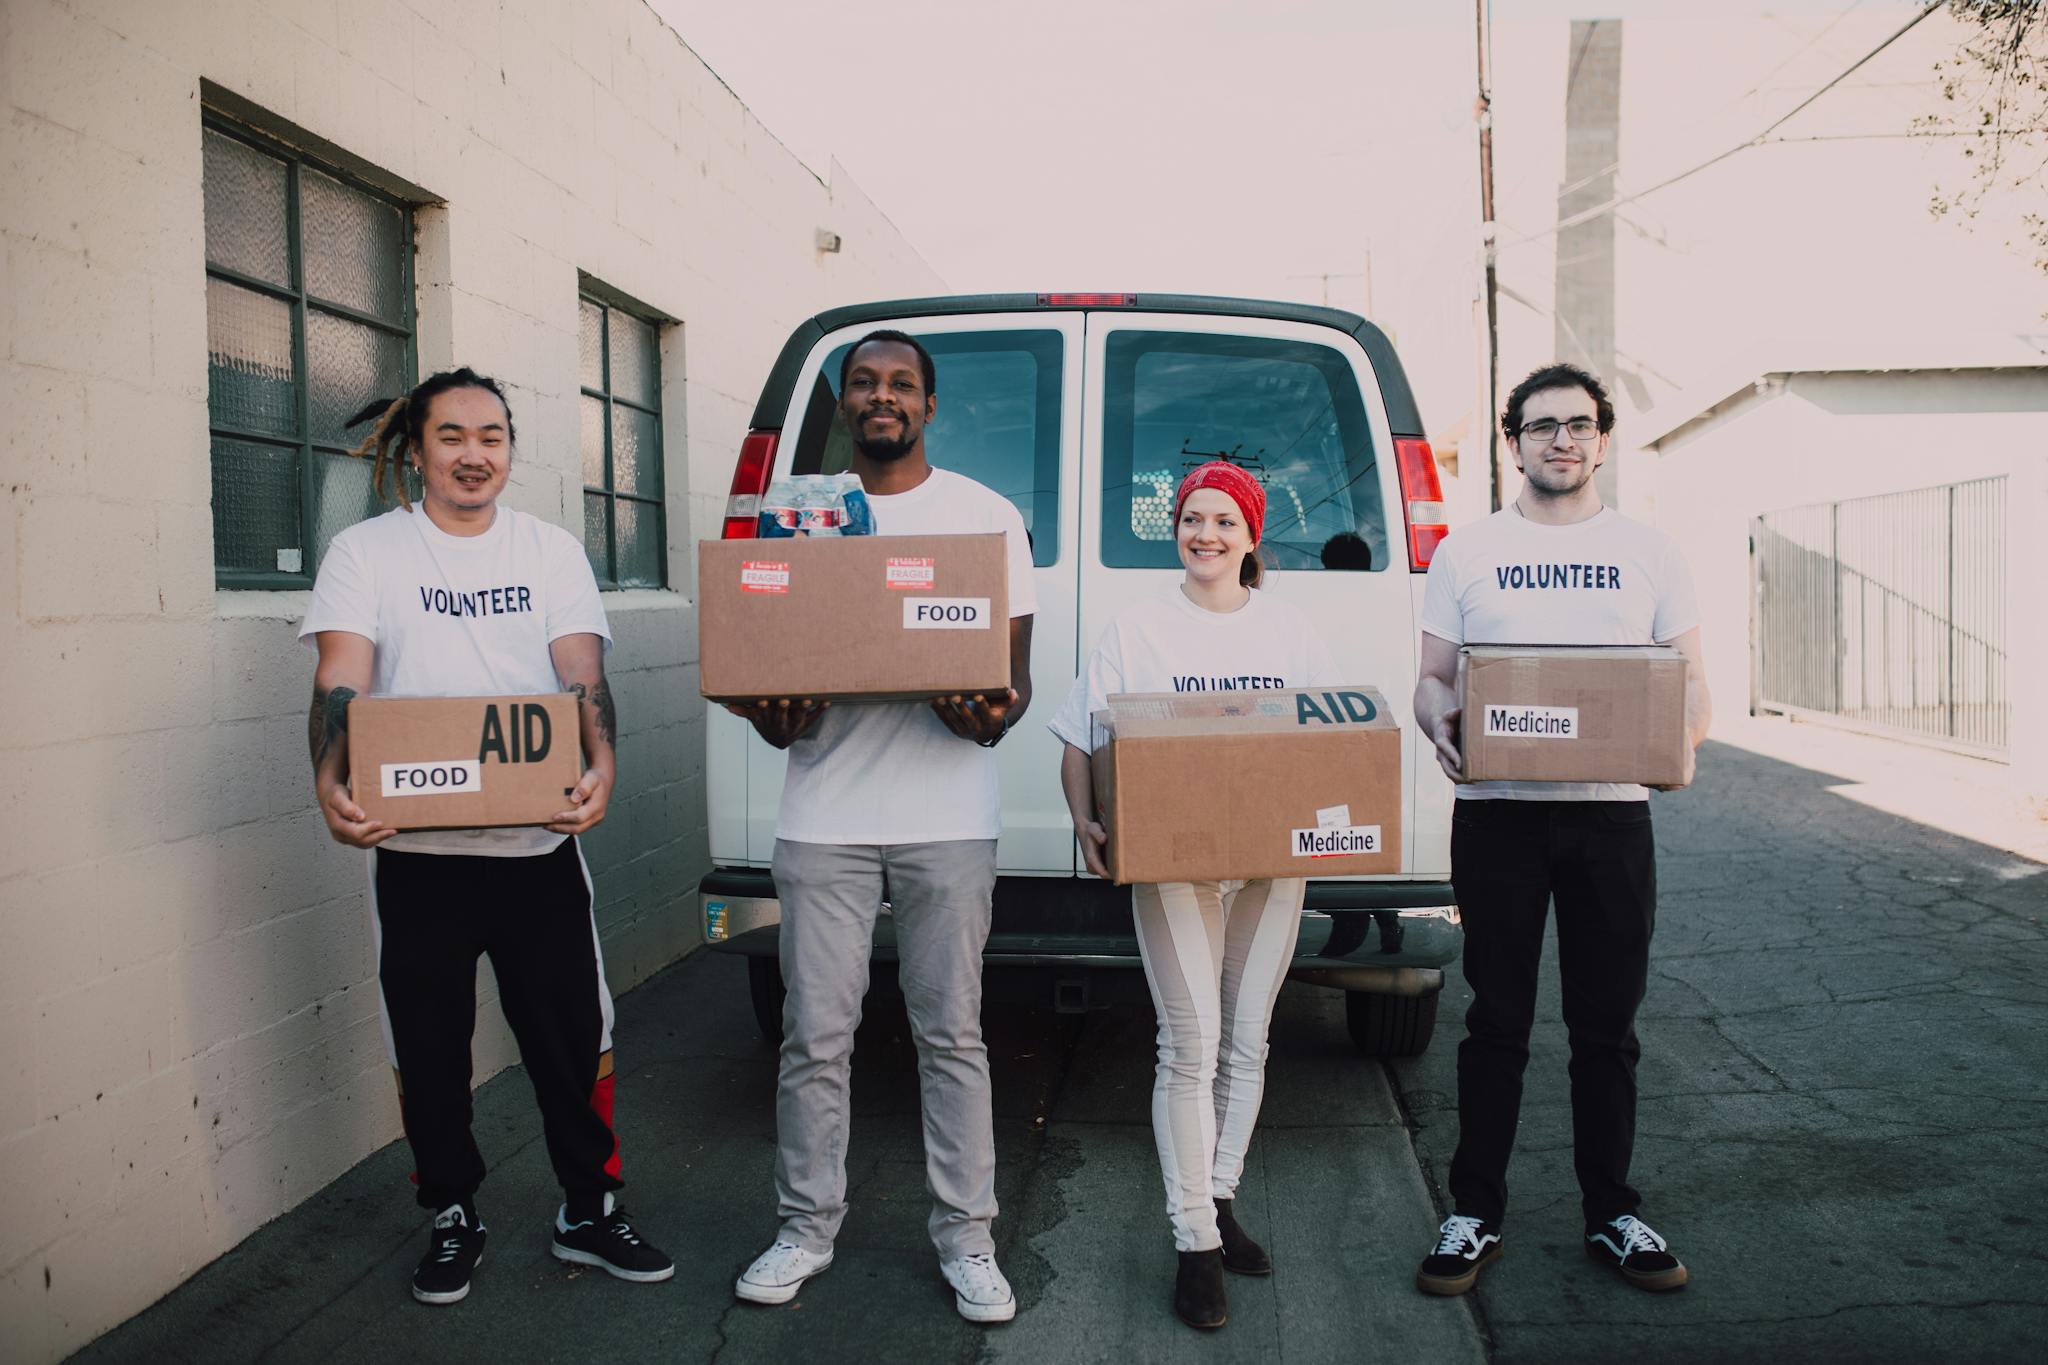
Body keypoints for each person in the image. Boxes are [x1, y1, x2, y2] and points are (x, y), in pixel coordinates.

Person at [301, 368, 673, 1306]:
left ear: (510, 447)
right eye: (453, 436)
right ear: (416, 446)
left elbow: (582, 676)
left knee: (574, 1036)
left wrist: (603, 765)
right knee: (429, 1045)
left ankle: (588, 1207)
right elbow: (340, 678)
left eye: (492, 437)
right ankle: (452, 1212)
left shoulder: (549, 551)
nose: (475, 455)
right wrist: (328, 777)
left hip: (536, 849)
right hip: (417, 855)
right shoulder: (366, 552)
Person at [728, 330, 1035, 1324]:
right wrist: (771, 712)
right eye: (863, 382)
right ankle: (804, 1228)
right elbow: (764, 662)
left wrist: (985, 711)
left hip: (947, 818)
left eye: (901, 383)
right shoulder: (798, 517)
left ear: (929, 405)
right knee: (814, 1039)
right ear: (846, 404)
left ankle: (968, 1241)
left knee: (951, 1035)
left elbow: (1012, 681)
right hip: (824, 815)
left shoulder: (983, 518)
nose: (882, 396)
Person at [1410, 363, 1710, 1297]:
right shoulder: (1467, 551)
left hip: (1612, 816)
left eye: (1579, 424)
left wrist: (1682, 746)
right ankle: (1474, 1212)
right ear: (1514, 443)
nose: (1562, 440)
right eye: (1542, 426)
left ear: (1603, 439)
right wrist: (1440, 723)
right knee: (1495, 1019)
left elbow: (1690, 681)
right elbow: (1433, 677)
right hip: (1497, 818)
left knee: (1605, 1027)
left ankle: (1611, 1211)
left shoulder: (1650, 551)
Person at [1049, 461, 1335, 1331]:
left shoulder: (1290, 630)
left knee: (1247, 1040)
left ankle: (1219, 1198)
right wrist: (1085, 819)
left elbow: (1333, 741)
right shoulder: (1139, 627)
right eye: (1191, 518)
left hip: (1271, 866)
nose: (1204, 533)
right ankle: (1195, 1244)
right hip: (1172, 862)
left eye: (1223, 520)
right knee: (1191, 1043)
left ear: (1251, 536)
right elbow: (1079, 739)